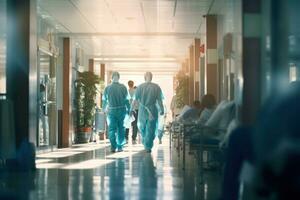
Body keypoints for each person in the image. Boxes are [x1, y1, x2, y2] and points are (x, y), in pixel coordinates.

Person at [132, 72, 164, 152]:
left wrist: (131, 109)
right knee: (150, 128)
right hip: (152, 109)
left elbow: (135, 100)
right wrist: (161, 109)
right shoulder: (156, 87)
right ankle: (147, 143)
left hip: (143, 110)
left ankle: (147, 145)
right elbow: (159, 100)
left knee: (143, 127)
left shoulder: (140, 87)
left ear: (144, 77)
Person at [102, 72, 130, 152]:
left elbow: (104, 101)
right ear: (119, 77)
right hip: (122, 111)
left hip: (112, 111)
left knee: (111, 129)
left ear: (112, 77)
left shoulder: (107, 88)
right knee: (121, 129)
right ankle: (120, 146)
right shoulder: (123, 87)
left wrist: (103, 109)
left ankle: (113, 146)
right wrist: (129, 109)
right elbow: (127, 101)